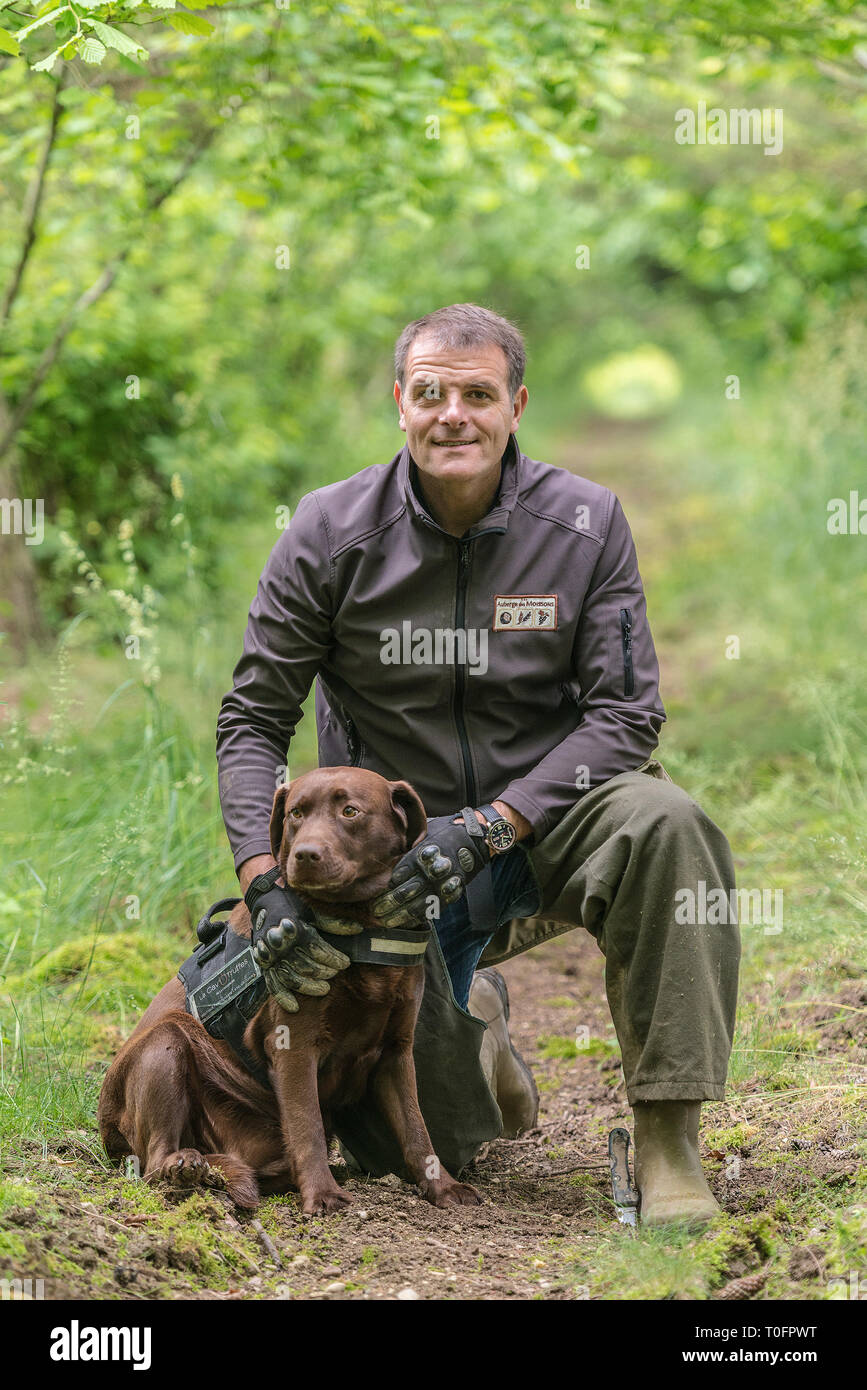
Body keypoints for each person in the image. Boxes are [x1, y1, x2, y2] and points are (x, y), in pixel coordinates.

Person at [215, 302, 740, 1227]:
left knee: (667, 824)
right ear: (399, 401)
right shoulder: (327, 532)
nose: (451, 414)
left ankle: (667, 1143)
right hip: (390, 863)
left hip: (546, 822)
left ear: (516, 405)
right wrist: (264, 882)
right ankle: (476, 1024)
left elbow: (626, 713)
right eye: (429, 393)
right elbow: (254, 717)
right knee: (422, 1148)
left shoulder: (584, 523)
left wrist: (498, 822)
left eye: (476, 394)